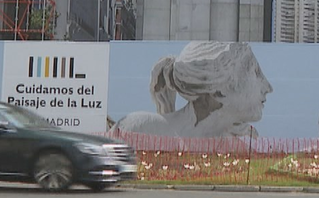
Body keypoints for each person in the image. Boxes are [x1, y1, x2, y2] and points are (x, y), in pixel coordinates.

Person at [115, 42, 273, 138]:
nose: (268, 88)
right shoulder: (138, 129)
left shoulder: (237, 150)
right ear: (219, 90)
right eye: (255, 72)